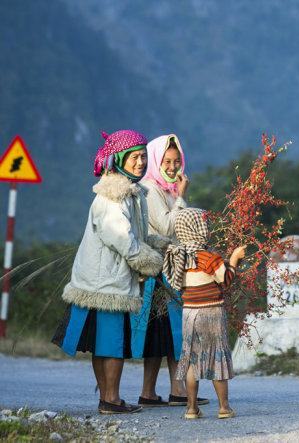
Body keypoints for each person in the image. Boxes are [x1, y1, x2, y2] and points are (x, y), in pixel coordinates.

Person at [52, 129, 164, 414]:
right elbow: (124, 240)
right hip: (108, 283)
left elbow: (136, 235)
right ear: (120, 159)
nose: (140, 162)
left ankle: (107, 398)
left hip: (101, 279)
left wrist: (161, 245)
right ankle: (111, 399)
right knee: (112, 344)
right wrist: (152, 263)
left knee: (103, 344)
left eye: (143, 157)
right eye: (134, 157)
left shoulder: (128, 193)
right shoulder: (114, 196)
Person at [131, 134, 208, 408]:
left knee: (169, 330)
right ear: (156, 160)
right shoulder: (151, 189)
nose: (173, 166)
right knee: (166, 330)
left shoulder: (168, 188)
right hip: (159, 269)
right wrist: (182, 198)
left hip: (172, 267)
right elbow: (166, 227)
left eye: (177, 161)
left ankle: (163, 391)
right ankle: (164, 391)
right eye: (168, 161)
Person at [163, 208, 246, 419]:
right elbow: (225, 281)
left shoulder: (178, 257)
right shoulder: (209, 257)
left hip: (190, 313)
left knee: (192, 359)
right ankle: (224, 408)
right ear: (199, 228)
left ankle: (191, 408)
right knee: (217, 357)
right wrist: (234, 259)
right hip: (212, 313)